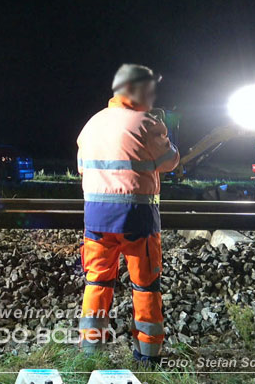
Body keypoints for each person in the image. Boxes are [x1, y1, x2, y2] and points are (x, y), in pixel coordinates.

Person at [76, 64, 180, 362]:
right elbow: (170, 161)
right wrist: (165, 132)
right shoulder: (147, 123)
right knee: (146, 287)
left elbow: (83, 168)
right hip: (137, 221)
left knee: (97, 283)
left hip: (96, 221)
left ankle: (89, 351)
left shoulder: (92, 124)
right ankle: (147, 355)